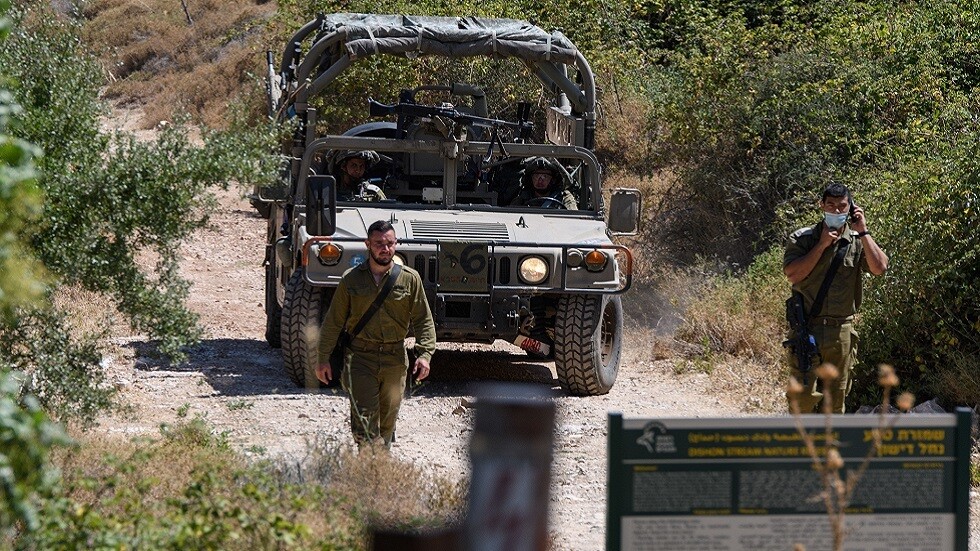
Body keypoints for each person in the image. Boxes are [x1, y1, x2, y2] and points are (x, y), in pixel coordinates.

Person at [316, 220, 436, 447]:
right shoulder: (351, 280)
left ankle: (380, 469)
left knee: (388, 423)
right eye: (379, 243)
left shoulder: (410, 279)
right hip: (360, 358)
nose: (385, 248)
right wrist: (322, 358)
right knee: (365, 422)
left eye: (390, 243)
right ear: (368, 245)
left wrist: (425, 354)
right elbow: (333, 322)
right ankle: (368, 472)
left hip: (394, 360)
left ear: (396, 244)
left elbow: (423, 319)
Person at [783, 182, 889, 413]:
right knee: (802, 399)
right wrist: (822, 245)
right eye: (830, 205)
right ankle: (801, 446)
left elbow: (880, 268)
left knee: (835, 401)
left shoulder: (857, 242)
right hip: (806, 330)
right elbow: (792, 274)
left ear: (851, 208)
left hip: (841, 333)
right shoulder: (804, 239)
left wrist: (863, 231)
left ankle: (828, 448)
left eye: (842, 206)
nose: (836, 211)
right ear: (821, 205)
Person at [510, 157, 577, 209]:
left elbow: (573, 217)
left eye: (545, 176)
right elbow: (510, 216)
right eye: (536, 176)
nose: (540, 180)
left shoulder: (564, 197)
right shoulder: (522, 198)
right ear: (531, 179)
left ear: (553, 180)